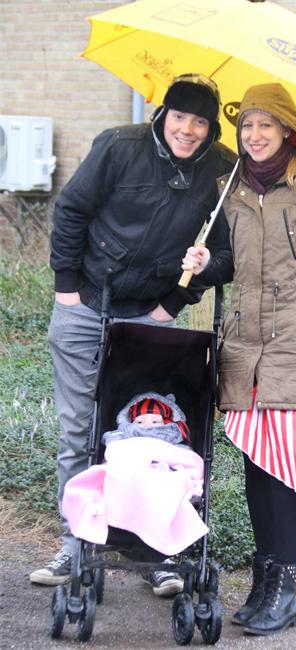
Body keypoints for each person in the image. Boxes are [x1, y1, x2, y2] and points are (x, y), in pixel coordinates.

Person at [29, 73, 235, 591]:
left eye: (200, 122)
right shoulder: (119, 146)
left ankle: (157, 548)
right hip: (85, 304)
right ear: (162, 114)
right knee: (80, 432)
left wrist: (174, 303)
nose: (187, 130)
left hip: (150, 318)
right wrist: (66, 289)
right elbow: (71, 211)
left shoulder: (222, 171)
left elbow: (226, 257)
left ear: (211, 128)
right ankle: (76, 542)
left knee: (151, 433)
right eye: (179, 117)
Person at [182, 82, 296, 636]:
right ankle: (265, 583)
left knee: (288, 472)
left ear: (287, 130)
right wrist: (206, 263)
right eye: (247, 126)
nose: (254, 136)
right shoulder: (232, 190)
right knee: (259, 468)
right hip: (245, 350)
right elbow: (232, 264)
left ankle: (286, 590)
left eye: (266, 125)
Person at [62, 393, 208, 598]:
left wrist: (184, 478)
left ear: (167, 422)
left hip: (162, 472)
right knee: (116, 476)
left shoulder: (175, 443)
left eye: (155, 421)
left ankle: (157, 560)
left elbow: (189, 462)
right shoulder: (120, 439)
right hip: (128, 472)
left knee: (166, 484)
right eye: (140, 421)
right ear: (130, 422)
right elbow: (113, 457)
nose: (147, 425)